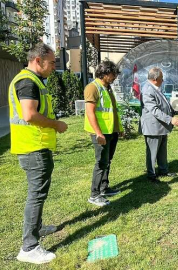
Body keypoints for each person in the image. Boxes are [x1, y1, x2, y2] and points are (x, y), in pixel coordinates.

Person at [9, 43, 68, 264]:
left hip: (36, 146)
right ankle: (29, 247)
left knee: (38, 194)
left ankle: (38, 228)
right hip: (33, 147)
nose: (54, 67)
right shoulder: (27, 82)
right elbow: (29, 115)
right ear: (38, 61)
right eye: (52, 62)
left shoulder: (32, 80)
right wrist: (56, 125)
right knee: (36, 195)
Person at [84, 60, 123, 207]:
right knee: (101, 163)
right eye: (113, 75)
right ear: (106, 73)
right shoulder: (92, 88)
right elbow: (90, 113)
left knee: (107, 161)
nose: (115, 78)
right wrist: (98, 133)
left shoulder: (107, 87)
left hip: (110, 131)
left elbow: (112, 110)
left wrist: (118, 128)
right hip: (101, 133)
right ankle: (94, 195)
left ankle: (104, 188)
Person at [140, 67, 178, 182]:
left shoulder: (156, 88)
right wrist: (170, 119)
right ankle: (151, 175)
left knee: (162, 150)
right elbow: (154, 110)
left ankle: (163, 170)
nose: (163, 81)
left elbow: (163, 103)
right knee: (152, 152)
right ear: (155, 78)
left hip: (160, 126)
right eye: (161, 78)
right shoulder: (148, 90)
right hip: (153, 127)